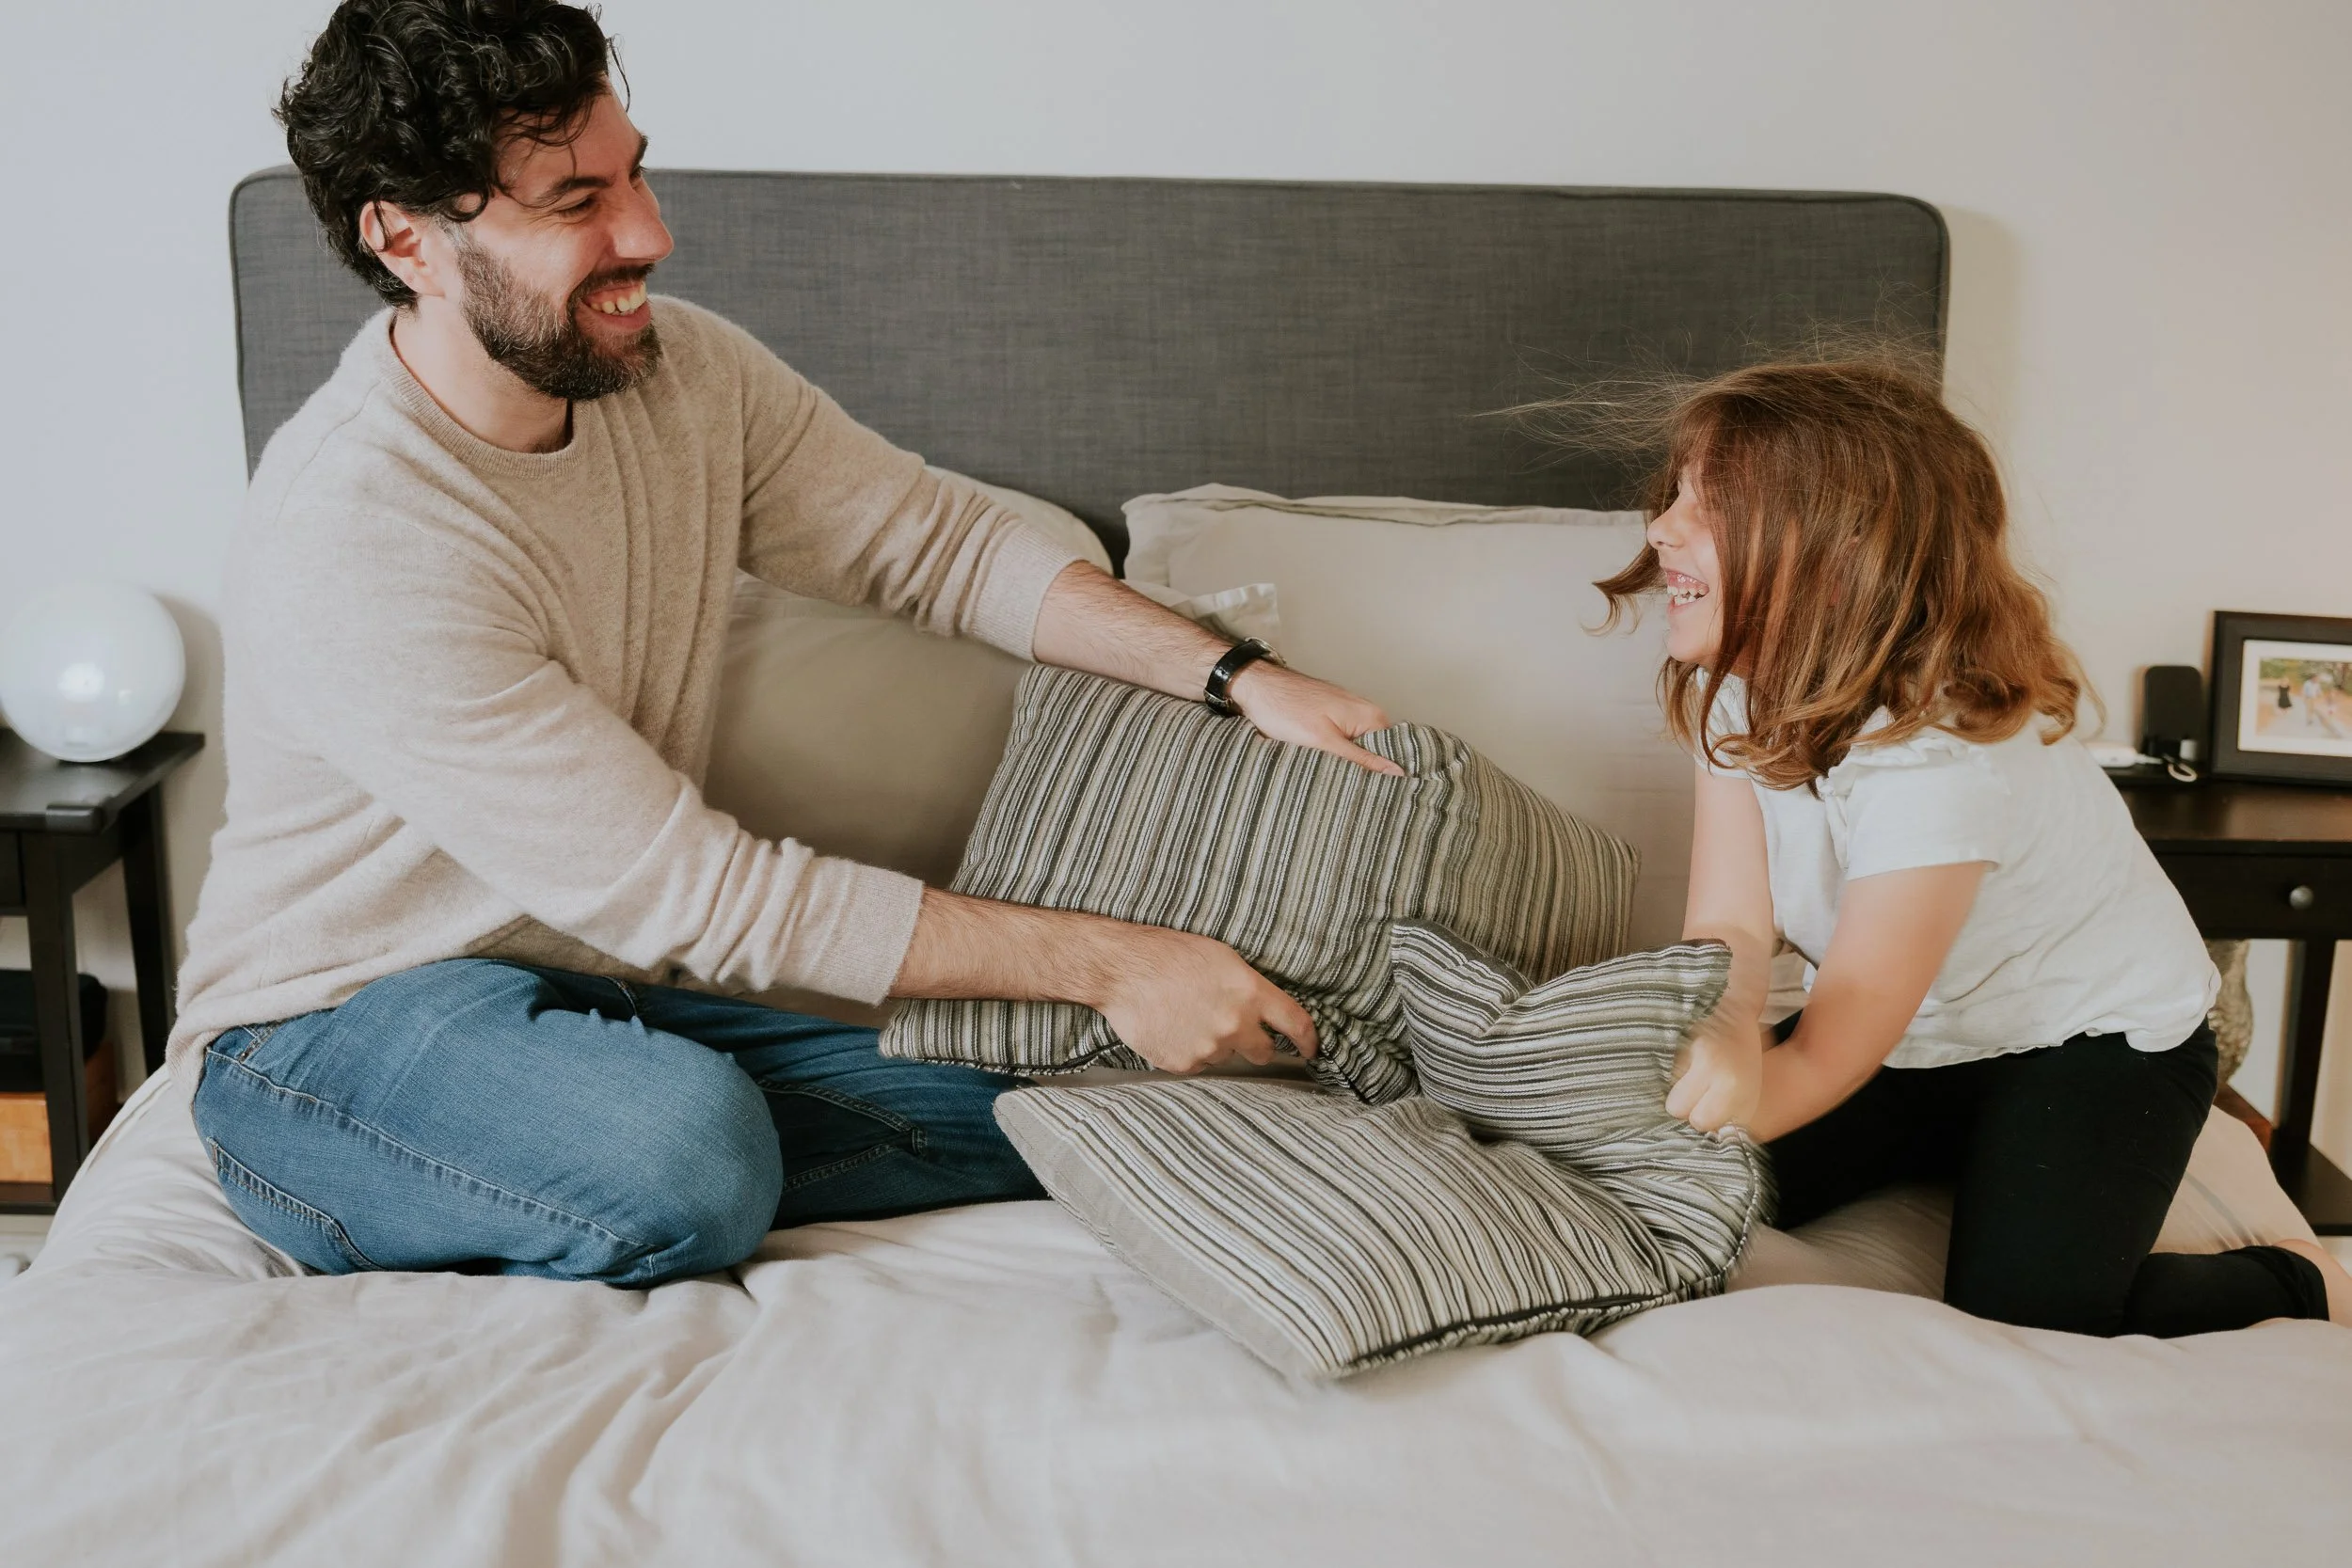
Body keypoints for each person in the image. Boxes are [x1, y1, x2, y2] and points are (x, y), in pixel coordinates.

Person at [173, 0, 1398, 1288]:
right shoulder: (358, 535)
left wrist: (1236, 674)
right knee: (689, 1159)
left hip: (600, 993)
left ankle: (643, 1141)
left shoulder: (677, 372)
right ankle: (522, 1168)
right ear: (405, 238)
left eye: (634, 174)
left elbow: (929, 542)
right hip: (333, 1037)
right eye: (576, 201)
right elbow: (699, 892)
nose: (647, 233)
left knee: (1079, 1091)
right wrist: (1113, 960)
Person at [1598, 355, 2351, 1334]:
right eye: (1676, 494)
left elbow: (1828, 1050)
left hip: (2088, 1040)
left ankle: (2300, 1279)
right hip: (1922, 1036)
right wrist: (1726, 1029)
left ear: (1842, 554)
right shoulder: (1734, 686)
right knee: (1667, 1177)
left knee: (2029, 1318)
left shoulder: (1940, 757)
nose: (1661, 527)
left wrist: (1730, 1109)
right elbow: (1731, 921)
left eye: (1709, 506)